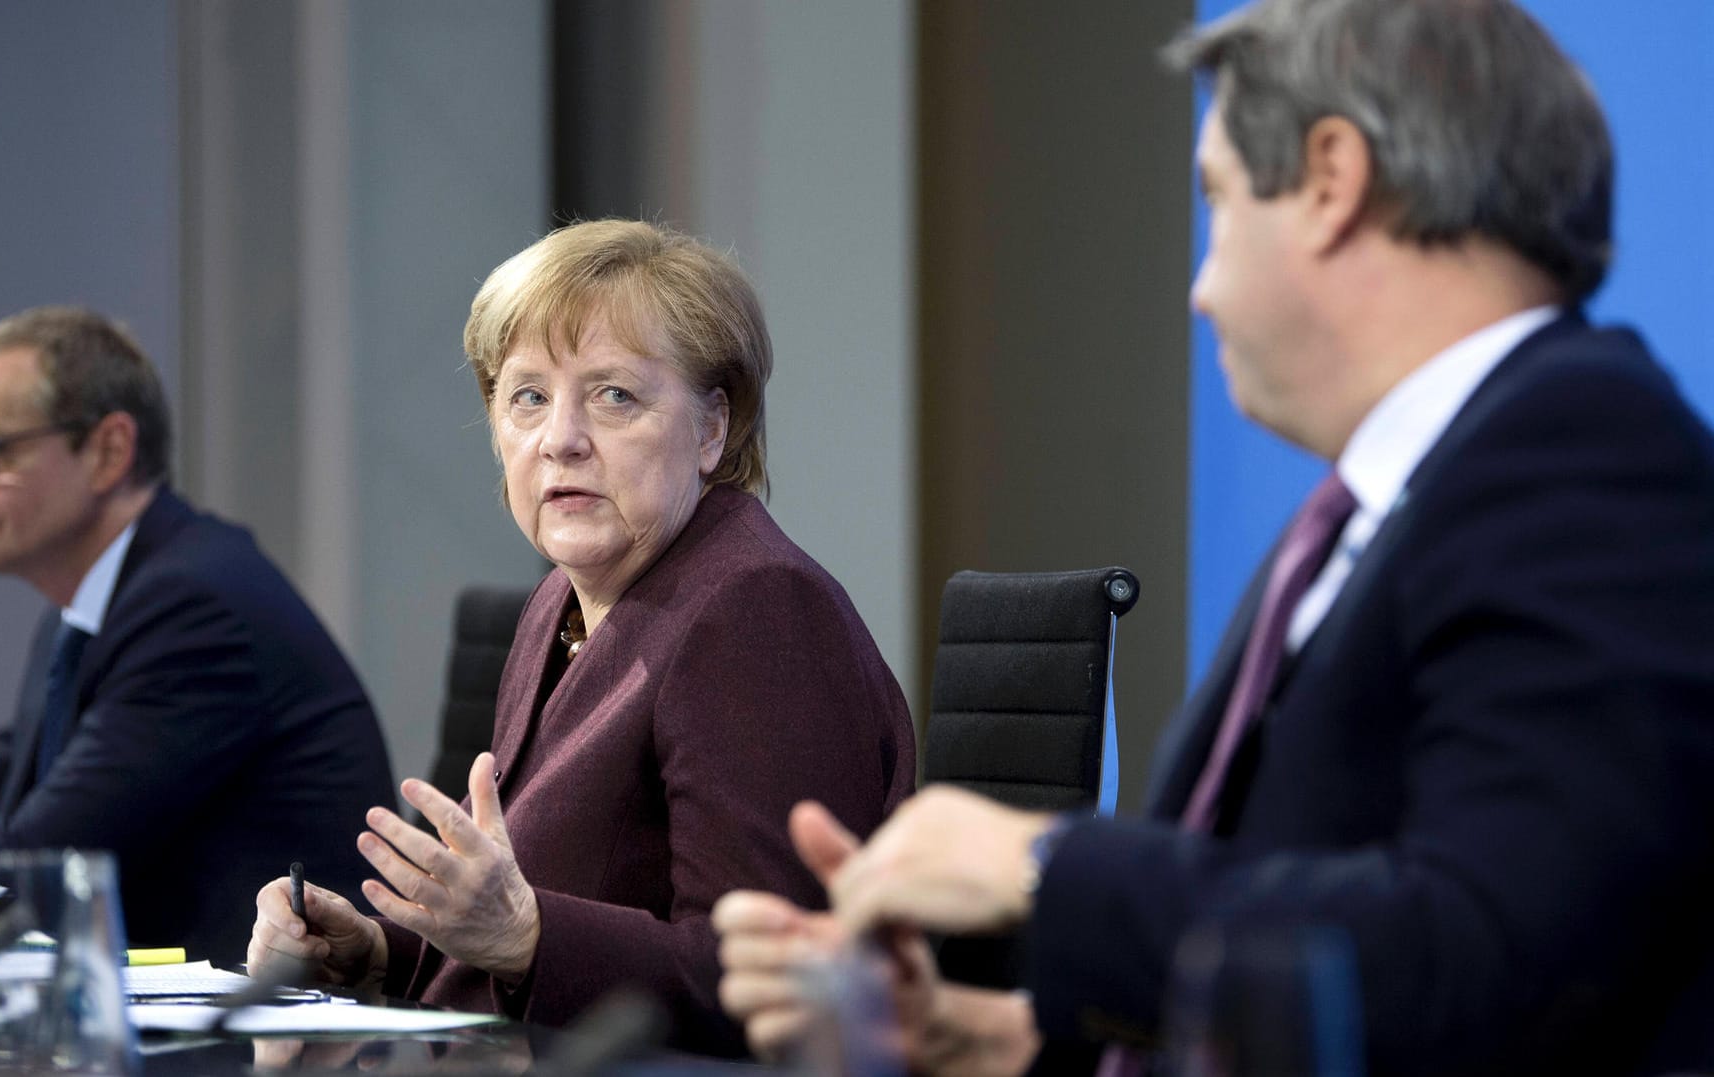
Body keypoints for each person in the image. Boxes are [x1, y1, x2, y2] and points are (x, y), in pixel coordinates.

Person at [715, 1, 1714, 1073]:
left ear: (1332, 179)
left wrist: (1043, 863)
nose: (1198, 290)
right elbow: (1304, 941)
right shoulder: (1394, 503)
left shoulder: (1584, 454)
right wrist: (984, 1040)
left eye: (1219, 202)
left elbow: (1490, 949)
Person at [246, 220, 916, 1055]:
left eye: (614, 396)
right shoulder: (561, 602)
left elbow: (773, 985)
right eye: (527, 396)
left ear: (714, 428)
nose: (558, 438)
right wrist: (377, 953)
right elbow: (551, 903)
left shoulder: (756, 607)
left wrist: (525, 936)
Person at [0, 306, 393, 960]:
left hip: (275, 1035)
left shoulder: (194, 605)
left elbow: (38, 863)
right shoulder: (85, 613)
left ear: (107, 452)